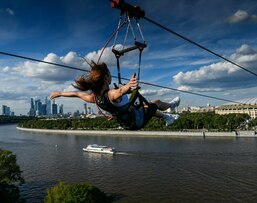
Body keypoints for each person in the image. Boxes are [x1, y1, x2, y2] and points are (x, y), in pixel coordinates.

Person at [50, 63, 180, 130]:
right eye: (109, 74)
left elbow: (76, 94)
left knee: (148, 106)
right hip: (136, 120)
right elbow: (120, 92)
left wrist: (60, 93)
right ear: (106, 78)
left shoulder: (93, 97)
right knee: (155, 103)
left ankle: (168, 116)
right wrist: (129, 85)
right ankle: (171, 108)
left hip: (127, 122)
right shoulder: (112, 94)